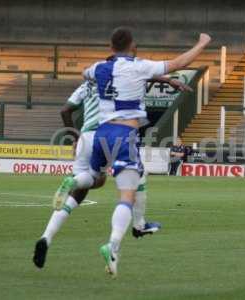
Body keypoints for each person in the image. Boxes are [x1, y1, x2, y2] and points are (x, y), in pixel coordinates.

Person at [32, 58, 191, 269]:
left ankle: (46, 236)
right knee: (137, 176)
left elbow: (65, 110)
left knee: (86, 187)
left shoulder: (87, 84)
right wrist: (168, 81)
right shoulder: (120, 83)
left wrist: (73, 136)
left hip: (85, 138)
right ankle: (138, 225)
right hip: (111, 132)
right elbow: (142, 75)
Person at [83, 27, 211, 277]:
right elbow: (180, 63)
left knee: (103, 178)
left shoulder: (98, 68)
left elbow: (84, 73)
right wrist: (202, 43)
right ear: (133, 45)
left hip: (101, 133)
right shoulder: (139, 66)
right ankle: (113, 246)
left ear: (111, 47)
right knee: (126, 196)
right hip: (124, 134)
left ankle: (139, 224)